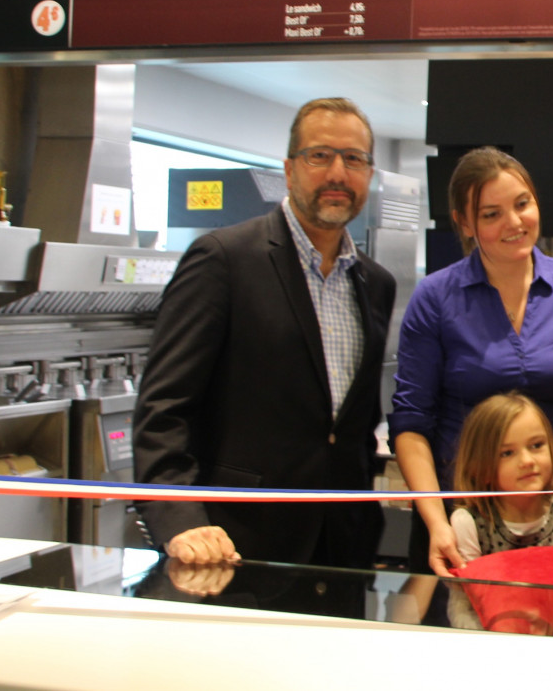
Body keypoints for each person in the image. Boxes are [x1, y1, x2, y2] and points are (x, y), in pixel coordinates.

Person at [133, 97, 396, 571]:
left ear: (369, 174)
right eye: (320, 155)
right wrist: (179, 520)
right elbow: (164, 409)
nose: (338, 172)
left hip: (341, 549)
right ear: (290, 168)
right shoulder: (224, 260)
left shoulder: (375, 284)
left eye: (353, 158)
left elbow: (347, 429)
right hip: (232, 546)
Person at [390, 147, 553, 577]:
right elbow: (412, 423)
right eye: (491, 214)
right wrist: (435, 522)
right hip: (461, 523)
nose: (515, 223)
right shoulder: (435, 297)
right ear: (464, 223)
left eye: (522, 204)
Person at [450, 391, 553, 561]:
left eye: (536, 445)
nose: (527, 461)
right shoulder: (468, 524)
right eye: (507, 453)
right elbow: (465, 587)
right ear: (481, 468)